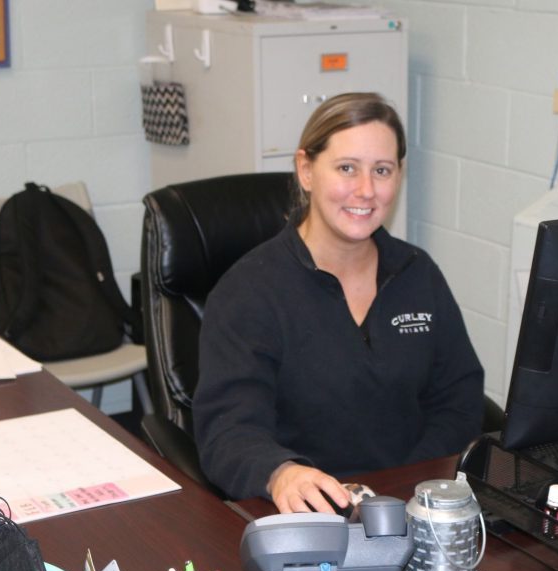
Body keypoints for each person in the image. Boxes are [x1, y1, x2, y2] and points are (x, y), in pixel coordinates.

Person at [193, 92, 484, 513]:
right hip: (304, 512)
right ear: (306, 170)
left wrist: (408, 488)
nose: (366, 191)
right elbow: (229, 431)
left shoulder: (417, 273)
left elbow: (459, 400)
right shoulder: (249, 291)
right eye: (347, 168)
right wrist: (281, 473)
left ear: (399, 175)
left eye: (381, 170)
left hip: (410, 505)